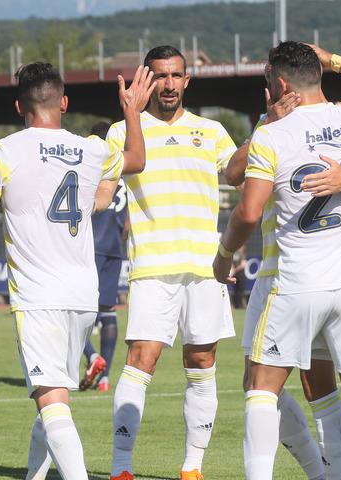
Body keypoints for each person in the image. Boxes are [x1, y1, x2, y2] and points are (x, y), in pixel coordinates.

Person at [214, 41, 341, 480]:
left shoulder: (273, 133)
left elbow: (247, 211)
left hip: (295, 281)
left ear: (279, 83)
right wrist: (335, 60)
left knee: (261, 390)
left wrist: (224, 257)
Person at [0, 62, 153, 480]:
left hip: (38, 295)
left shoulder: (3, 150)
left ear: (18, 106)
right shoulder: (92, 148)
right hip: (83, 294)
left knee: (52, 403)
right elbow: (137, 158)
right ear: (64, 103)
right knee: (52, 399)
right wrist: (132, 110)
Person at [107, 45, 241, 480]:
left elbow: (238, 172)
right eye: (160, 76)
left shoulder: (213, 130)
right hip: (152, 267)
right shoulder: (122, 130)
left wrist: (268, 125)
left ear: (187, 81)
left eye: (175, 76)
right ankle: (122, 468)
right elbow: (104, 191)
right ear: (146, 79)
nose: (168, 84)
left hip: (205, 268)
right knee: (140, 360)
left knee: (202, 363)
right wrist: (131, 113)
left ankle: (192, 467)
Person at [79, 122, 129, 393]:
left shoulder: (93, 166)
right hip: (113, 248)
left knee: (74, 310)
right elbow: (129, 221)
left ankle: (91, 356)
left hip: (91, 245)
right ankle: (106, 376)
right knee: (109, 311)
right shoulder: (122, 167)